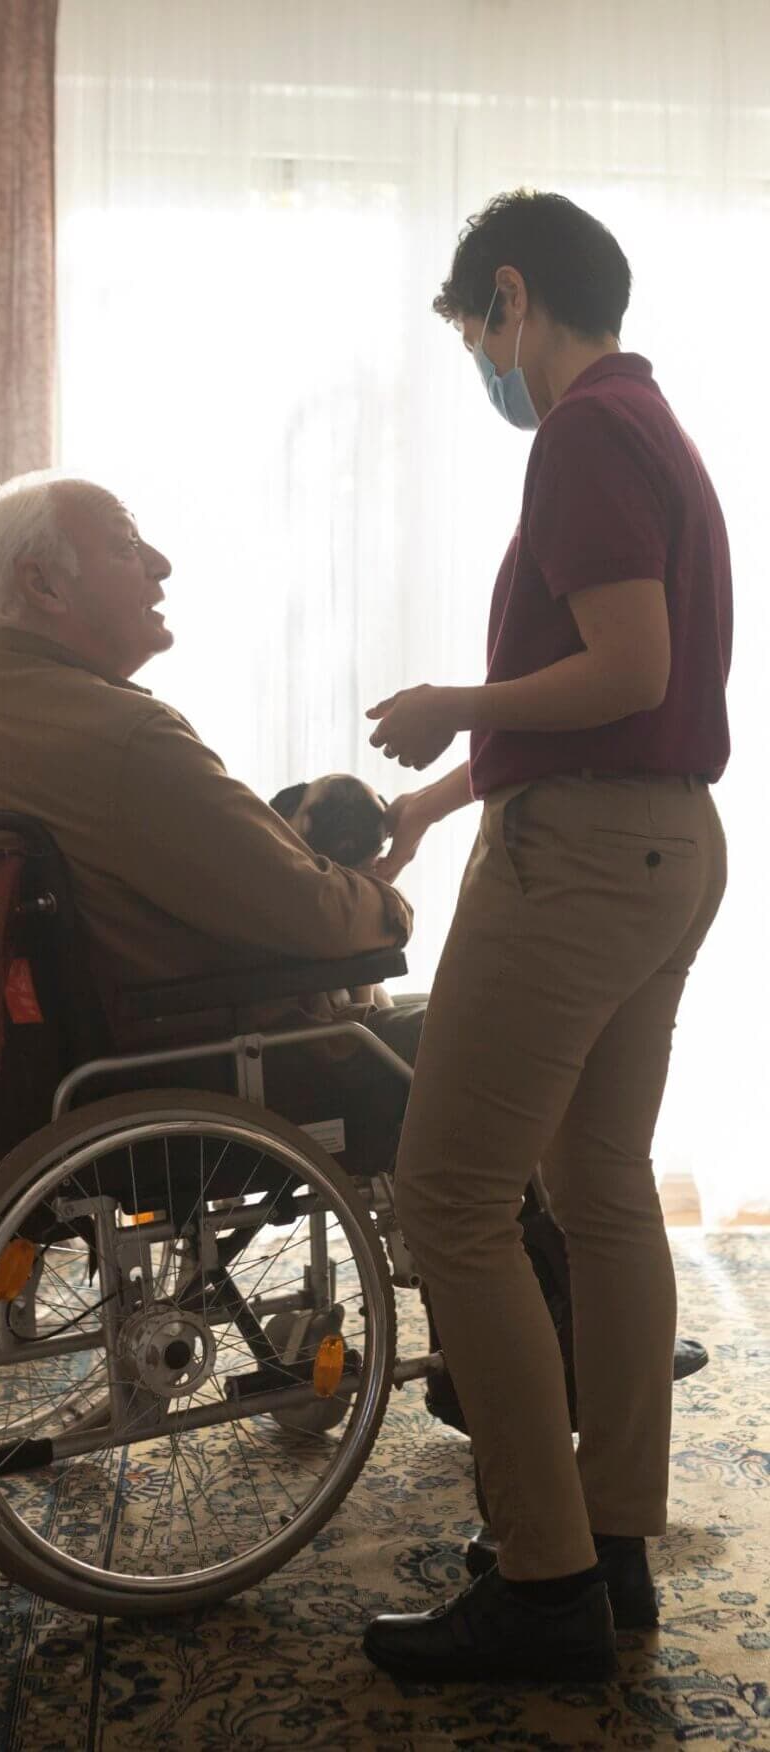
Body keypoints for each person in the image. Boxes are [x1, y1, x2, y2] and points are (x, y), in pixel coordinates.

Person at [362, 190, 730, 1685]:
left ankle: (544, 1579)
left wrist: (456, 705)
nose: (486, 371)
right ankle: (612, 1541)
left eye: (477, 338)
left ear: (512, 299)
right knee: (598, 1188)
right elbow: (630, 690)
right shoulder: (654, 426)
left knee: (446, 1197)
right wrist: (451, 793)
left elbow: (621, 665)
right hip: (661, 842)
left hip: (583, 856)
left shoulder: (583, 431)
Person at [0, 471, 422, 1103]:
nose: (161, 564)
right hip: (221, 1068)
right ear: (43, 585)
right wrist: (387, 901)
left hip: (53, 1086)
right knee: (512, 1022)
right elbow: (313, 914)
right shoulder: (124, 737)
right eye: (126, 546)